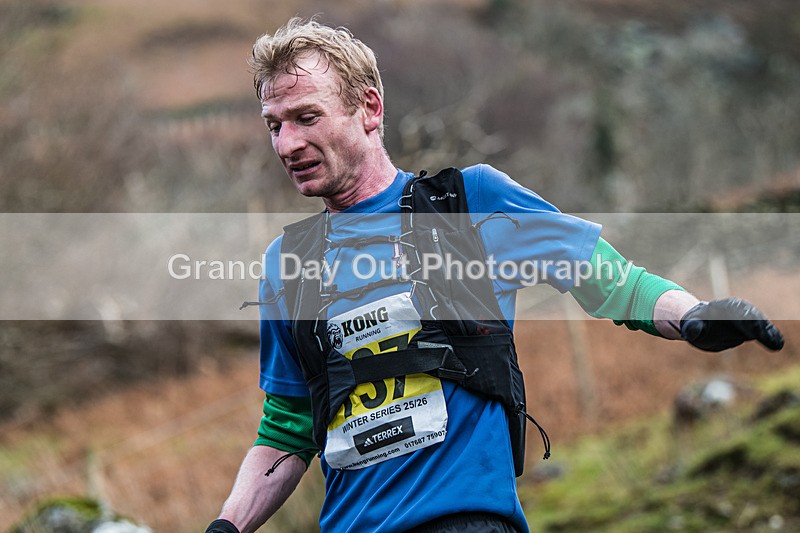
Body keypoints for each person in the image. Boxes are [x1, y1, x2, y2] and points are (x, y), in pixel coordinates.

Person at [205, 18, 784, 533]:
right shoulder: (288, 264)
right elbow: (286, 432)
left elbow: (608, 278)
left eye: (307, 117)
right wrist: (227, 526)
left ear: (370, 108)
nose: (288, 143)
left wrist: (693, 317)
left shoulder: (469, 202)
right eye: (274, 124)